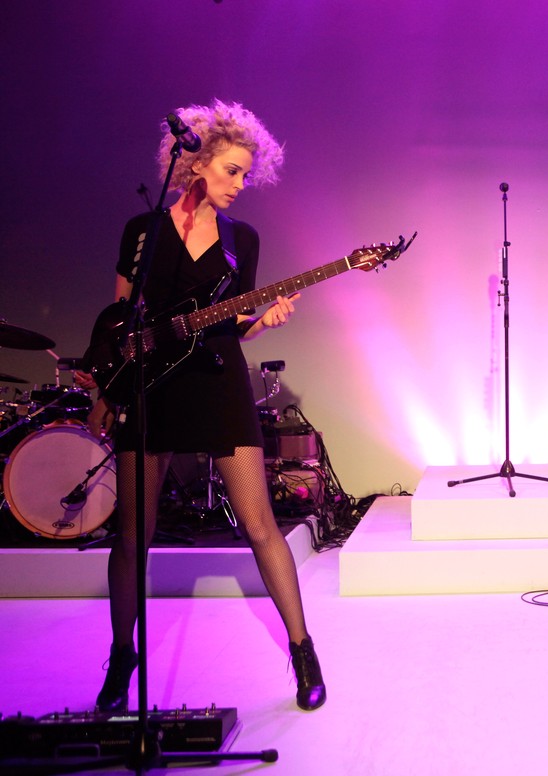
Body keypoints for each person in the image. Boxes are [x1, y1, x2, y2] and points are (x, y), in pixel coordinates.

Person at [78, 99, 326, 712]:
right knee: (132, 535)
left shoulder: (244, 240)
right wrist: (107, 388)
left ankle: (302, 650)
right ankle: (122, 657)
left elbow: (236, 326)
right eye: (233, 171)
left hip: (217, 382)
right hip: (152, 388)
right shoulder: (143, 231)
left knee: (260, 523)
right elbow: (118, 322)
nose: (242, 184)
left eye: (246, 173)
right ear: (195, 163)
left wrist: (264, 321)